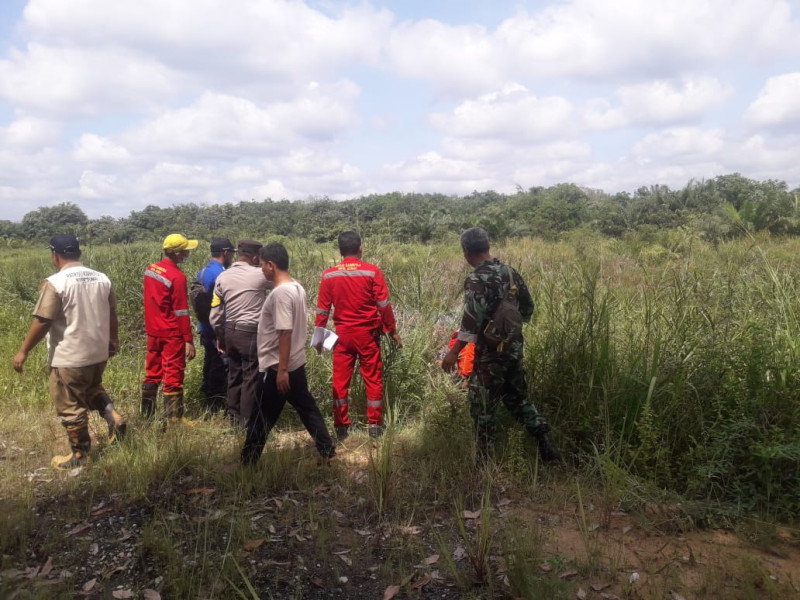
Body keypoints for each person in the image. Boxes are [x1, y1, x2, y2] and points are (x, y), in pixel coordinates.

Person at [441, 227, 561, 462]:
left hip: (490, 354)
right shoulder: (510, 272)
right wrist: (508, 330)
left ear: (466, 251)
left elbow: (471, 322)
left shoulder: (477, 278)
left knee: (482, 403)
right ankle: (545, 444)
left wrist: (454, 353)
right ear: (487, 246)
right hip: (514, 348)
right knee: (517, 397)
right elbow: (528, 308)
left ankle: (484, 460)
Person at [13, 234, 127, 469]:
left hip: (69, 356)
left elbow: (43, 321)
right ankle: (114, 418)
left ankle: (79, 456)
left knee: (69, 404)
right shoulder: (102, 278)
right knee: (92, 388)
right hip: (98, 352)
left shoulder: (57, 282)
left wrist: (23, 351)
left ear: (55, 255)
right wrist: (113, 340)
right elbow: (112, 313)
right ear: (79, 253)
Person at [241, 242, 336, 465]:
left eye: (263, 265)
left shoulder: (282, 294)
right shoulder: (296, 287)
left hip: (278, 366)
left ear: (271, 265)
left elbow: (284, 332)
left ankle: (247, 462)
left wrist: (281, 370)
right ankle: (327, 450)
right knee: (307, 408)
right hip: (294, 362)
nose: (261, 269)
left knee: (262, 415)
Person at [314, 231, 402, 440]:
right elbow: (384, 305)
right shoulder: (372, 272)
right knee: (372, 379)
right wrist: (392, 331)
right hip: (368, 336)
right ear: (360, 248)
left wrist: (318, 340)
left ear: (340, 251)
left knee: (340, 381)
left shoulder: (329, 275)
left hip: (342, 337)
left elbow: (322, 312)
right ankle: (374, 425)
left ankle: (341, 427)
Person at [209, 240, 271, 427]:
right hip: (250, 333)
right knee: (251, 377)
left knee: (234, 375)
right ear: (254, 257)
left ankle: (233, 418)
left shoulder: (223, 277)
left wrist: (221, 338)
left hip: (230, 331)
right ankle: (247, 422)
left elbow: (215, 315)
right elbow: (284, 283)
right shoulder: (260, 275)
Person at [141, 233, 197, 423]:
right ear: (178, 254)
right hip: (171, 333)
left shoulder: (150, 269)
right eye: (186, 251)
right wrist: (188, 339)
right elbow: (181, 311)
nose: (188, 253)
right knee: (173, 374)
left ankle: (147, 416)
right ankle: (174, 421)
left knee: (153, 372)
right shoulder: (177, 277)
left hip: (153, 331)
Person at [196, 238, 234, 410]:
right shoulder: (222, 273)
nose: (232, 256)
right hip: (216, 329)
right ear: (225, 253)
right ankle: (215, 405)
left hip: (204, 326)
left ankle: (207, 399)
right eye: (231, 253)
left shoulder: (203, 271)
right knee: (221, 366)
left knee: (210, 363)